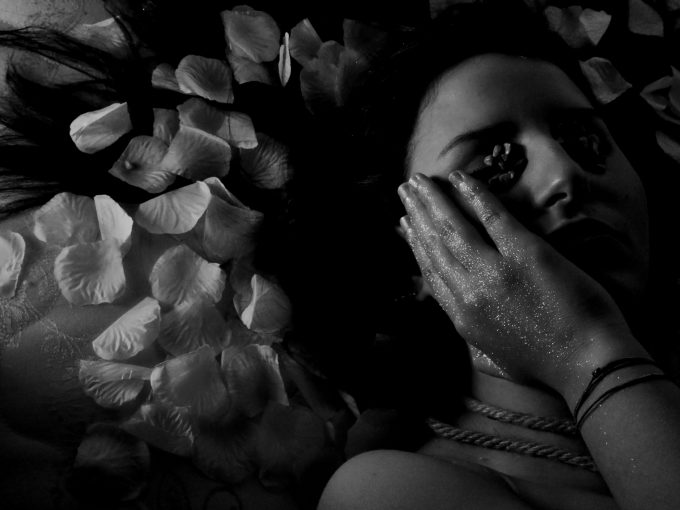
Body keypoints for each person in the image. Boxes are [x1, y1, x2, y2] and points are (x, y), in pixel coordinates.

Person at [313, 1, 680, 509]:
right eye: (495, 165)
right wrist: (585, 354)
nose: (565, 175)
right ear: (410, 254)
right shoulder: (386, 493)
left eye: (586, 140)